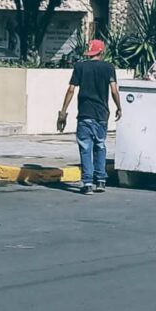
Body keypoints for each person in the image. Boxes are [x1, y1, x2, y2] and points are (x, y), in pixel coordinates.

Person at [57, 39, 122, 195]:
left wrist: (63, 112)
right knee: (100, 145)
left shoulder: (80, 67)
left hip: (85, 114)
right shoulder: (109, 68)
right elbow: (114, 90)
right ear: (102, 52)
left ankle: (87, 183)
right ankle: (100, 180)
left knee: (86, 147)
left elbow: (71, 90)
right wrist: (119, 107)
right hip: (102, 114)